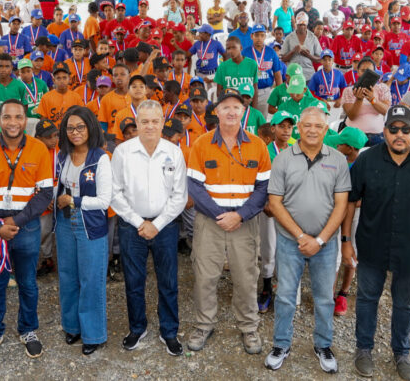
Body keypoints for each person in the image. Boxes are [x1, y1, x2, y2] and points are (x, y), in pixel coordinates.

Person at [342, 105, 410, 380]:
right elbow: (350, 202)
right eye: (393, 129)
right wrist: (346, 241)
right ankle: (364, 349)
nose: (399, 134)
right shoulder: (367, 161)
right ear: (385, 132)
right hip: (372, 245)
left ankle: (401, 352)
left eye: (405, 129)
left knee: (405, 303)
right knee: (367, 298)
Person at [185, 90, 271, 355]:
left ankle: (248, 327)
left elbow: (263, 187)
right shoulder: (201, 144)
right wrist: (219, 215)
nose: (231, 111)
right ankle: (203, 324)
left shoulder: (257, 145)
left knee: (246, 277)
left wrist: (240, 215)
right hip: (210, 222)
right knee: (205, 276)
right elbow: (194, 186)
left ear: (244, 111)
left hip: (244, 223)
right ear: (217, 113)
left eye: (236, 107)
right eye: (225, 107)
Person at [264, 107, 349, 373]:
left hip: (325, 244)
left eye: (318, 126)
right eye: (307, 125)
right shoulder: (283, 159)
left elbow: (342, 204)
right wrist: (301, 236)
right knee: (286, 296)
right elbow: (275, 203)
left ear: (326, 130)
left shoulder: (338, 160)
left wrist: (320, 240)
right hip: (291, 242)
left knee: (324, 297)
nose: (312, 130)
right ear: (299, 128)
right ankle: (281, 344)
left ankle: (323, 345)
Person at [0, 99, 53, 360]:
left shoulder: (39, 149)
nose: (13, 122)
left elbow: (45, 194)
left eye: (18, 117)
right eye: (7, 117)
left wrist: (15, 222)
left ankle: (28, 329)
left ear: (25, 119)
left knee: (28, 282)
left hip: (25, 228)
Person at [110, 100, 187, 355]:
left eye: (155, 121)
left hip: (164, 226)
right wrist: (139, 222)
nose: (150, 126)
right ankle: (137, 327)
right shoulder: (123, 152)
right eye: (145, 121)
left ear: (163, 122)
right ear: (137, 123)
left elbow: (180, 196)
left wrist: (157, 224)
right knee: (134, 281)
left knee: (168, 281)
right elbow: (115, 193)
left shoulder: (173, 152)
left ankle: (169, 331)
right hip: (132, 227)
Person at [52, 106, 112, 355]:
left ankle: (93, 334)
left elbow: (104, 201)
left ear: (90, 128)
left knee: (91, 280)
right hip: (65, 222)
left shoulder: (101, 158)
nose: (75, 132)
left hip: (89, 225)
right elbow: (58, 186)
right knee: (67, 276)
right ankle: (72, 327)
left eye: (80, 127)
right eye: (70, 128)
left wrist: (75, 201)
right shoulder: (62, 156)